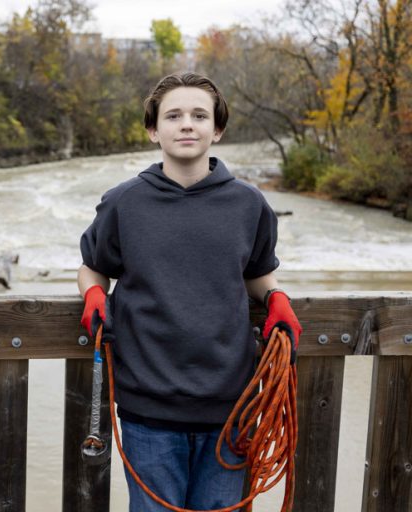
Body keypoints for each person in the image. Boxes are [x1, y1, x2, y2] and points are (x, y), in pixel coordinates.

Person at [77, 72, 302, 511]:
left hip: (231, 407)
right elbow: (93, 268)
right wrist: (93, 295)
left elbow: (257, 273)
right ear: (152, 130)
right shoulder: (124, 202)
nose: (186, 124)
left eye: (199, 115)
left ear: (216, 130)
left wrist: (276, 299)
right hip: (148, 408)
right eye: (173, 115)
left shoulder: (249, 204)